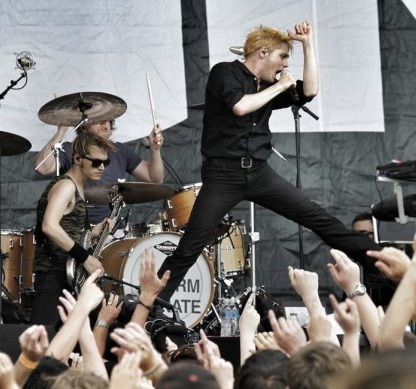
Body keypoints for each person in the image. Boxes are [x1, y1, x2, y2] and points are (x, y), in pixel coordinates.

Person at [156, 21, 381, 305]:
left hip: (259, 173)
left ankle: (380, 261)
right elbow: (240, 106)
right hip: (223, 175)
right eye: (282, 57)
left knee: (318, 218)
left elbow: (309, 91)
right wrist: (280, 87)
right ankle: (148, 308)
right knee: (190, 247)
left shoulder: (270, 85)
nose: (285, 64)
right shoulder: (225, 72)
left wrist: (308, 43)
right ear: (263, 53)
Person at [30, 132, 115, 325]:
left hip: (67, 273)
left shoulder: (78, 187)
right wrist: (85, 257)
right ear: (77, 158)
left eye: (105, 163)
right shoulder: (66, 186)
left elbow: (65, 228)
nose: (101, 167)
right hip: (54, 272)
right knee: (42, 343)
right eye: (96, 162)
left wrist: (92, 234)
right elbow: (49, 226)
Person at [34, 119, 164, 224]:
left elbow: (155, 179)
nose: (104, 123)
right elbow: (42, 168)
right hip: (79, 229)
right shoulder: (72, 149)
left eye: (107, 120)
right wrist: (61, 131)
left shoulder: (121, 150)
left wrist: (155, 149)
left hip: (113, 230)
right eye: (97, 120)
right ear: (84, 127)